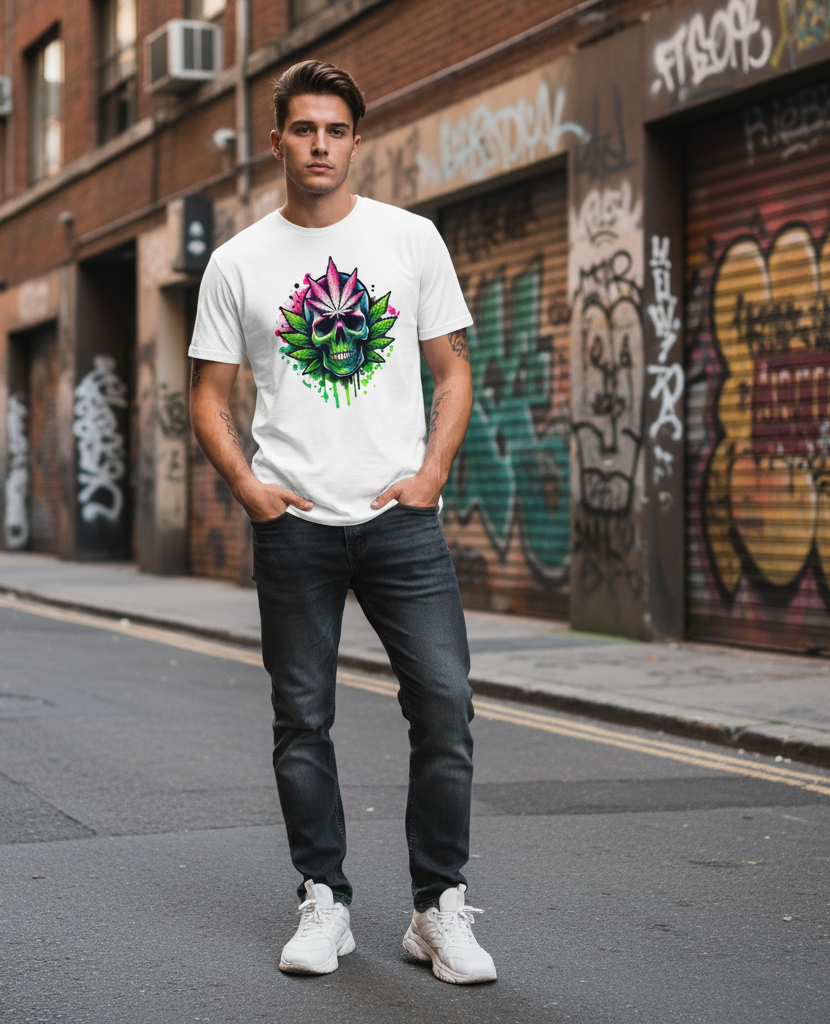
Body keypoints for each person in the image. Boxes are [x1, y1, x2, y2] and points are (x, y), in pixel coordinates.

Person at [188, 60, 495, 985]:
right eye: (304, 129)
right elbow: (208, 395)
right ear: (276, 139)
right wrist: (250, 489)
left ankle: (438, 909)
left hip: (401, 522)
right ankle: (325, 900)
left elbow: (452, 371)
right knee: (303, 721)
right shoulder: (238, 261)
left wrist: (430, 473)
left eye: (336, 130)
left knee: (445, 707)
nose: (320, 144)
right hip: (297, 525)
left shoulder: (410, 241)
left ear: (357, 141)